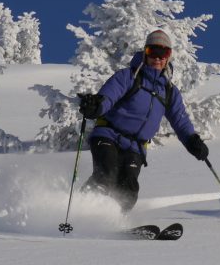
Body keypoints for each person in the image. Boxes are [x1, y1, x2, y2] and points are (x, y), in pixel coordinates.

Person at [77, 29, 208, 212]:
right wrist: (96, 106)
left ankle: (111, 222)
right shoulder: (128, 77)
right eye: (152, 52)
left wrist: (192, 140)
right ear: (145, 53)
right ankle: (79, 210)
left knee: (128, 191)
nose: (157, 58)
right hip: (108, 135)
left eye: (164, 53)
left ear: (168, 58)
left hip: (135, 147)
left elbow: (180, 120)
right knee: (105, 176)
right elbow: (108, 96)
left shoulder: (169, 92)